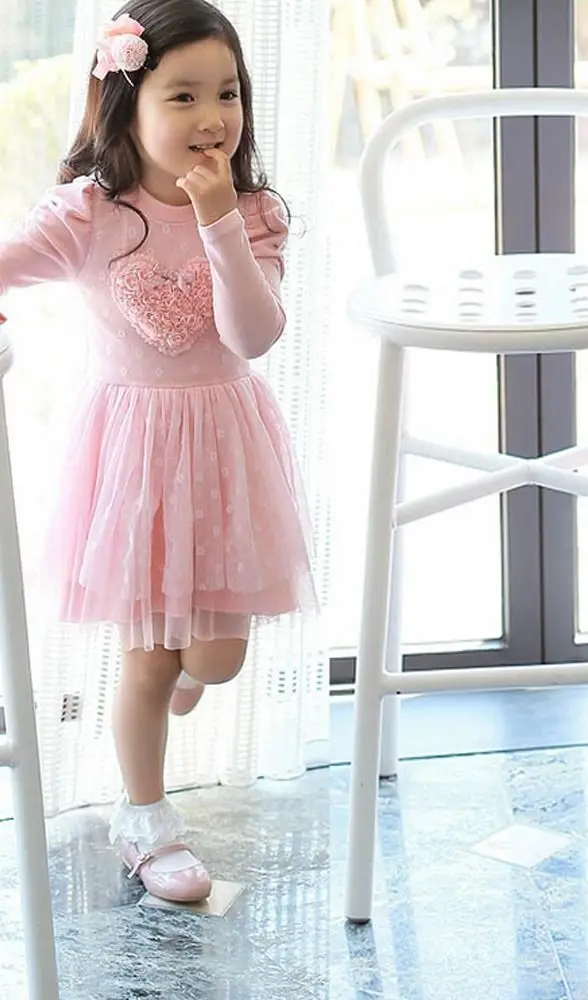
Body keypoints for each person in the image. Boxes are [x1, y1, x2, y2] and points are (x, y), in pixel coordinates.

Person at [0, 0, 316, 902]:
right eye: (183, 96)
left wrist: (219, 223)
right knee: (145, 660)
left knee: (214, 659)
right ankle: (146, 821)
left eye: (228, 93)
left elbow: (253, 336)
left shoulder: (254, 212)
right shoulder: (88, 213)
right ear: (125, 105)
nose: (213, 117)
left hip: (224, 454)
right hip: (133, 462)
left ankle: (185, 677)